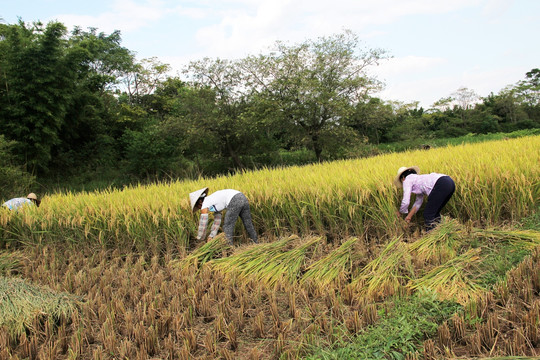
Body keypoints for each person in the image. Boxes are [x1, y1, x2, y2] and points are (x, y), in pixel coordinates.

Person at [189, 187, 258, 245]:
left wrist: (200, 239)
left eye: (197, 206)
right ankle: (256, 243)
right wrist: (211, 236)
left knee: (228, 227)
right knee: (248, 223)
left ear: (200, 202)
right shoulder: (212, 200)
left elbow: (203, 224)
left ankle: (230, 249)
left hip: (234, 200)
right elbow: (217, 221)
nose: (199, 208)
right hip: (242, 197)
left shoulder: (205, 204)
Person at [394, 166, 455, 231]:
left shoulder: (406, 180)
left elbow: (406, 201)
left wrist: (401, 212)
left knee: (428, 214)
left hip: (441, 184)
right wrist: (409, 217)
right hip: (450, 182)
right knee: (435, 212)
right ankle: (440, 232)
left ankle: (432, 235)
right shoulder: (417, 179)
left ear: (403, 178)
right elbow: (418, 202)